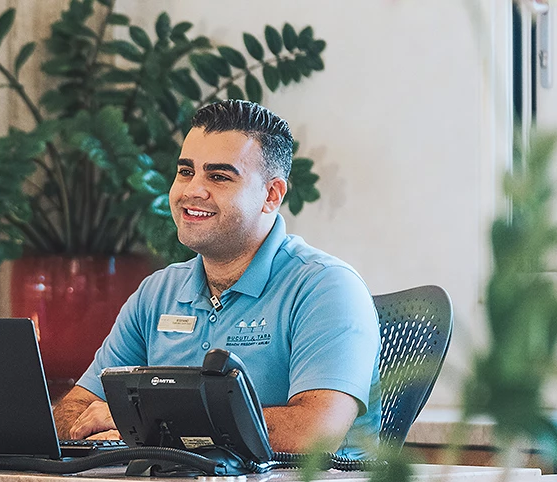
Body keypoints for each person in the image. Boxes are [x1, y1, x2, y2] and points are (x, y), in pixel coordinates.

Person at [53, 100, 382, 458]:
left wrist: (151, 428)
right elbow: (72, 412)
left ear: (271, 195)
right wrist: (102, 427)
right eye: (185, 171)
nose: (192, 190)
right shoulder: (157, 293)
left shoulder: (328, 288)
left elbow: (311, 433)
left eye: (219, 176)